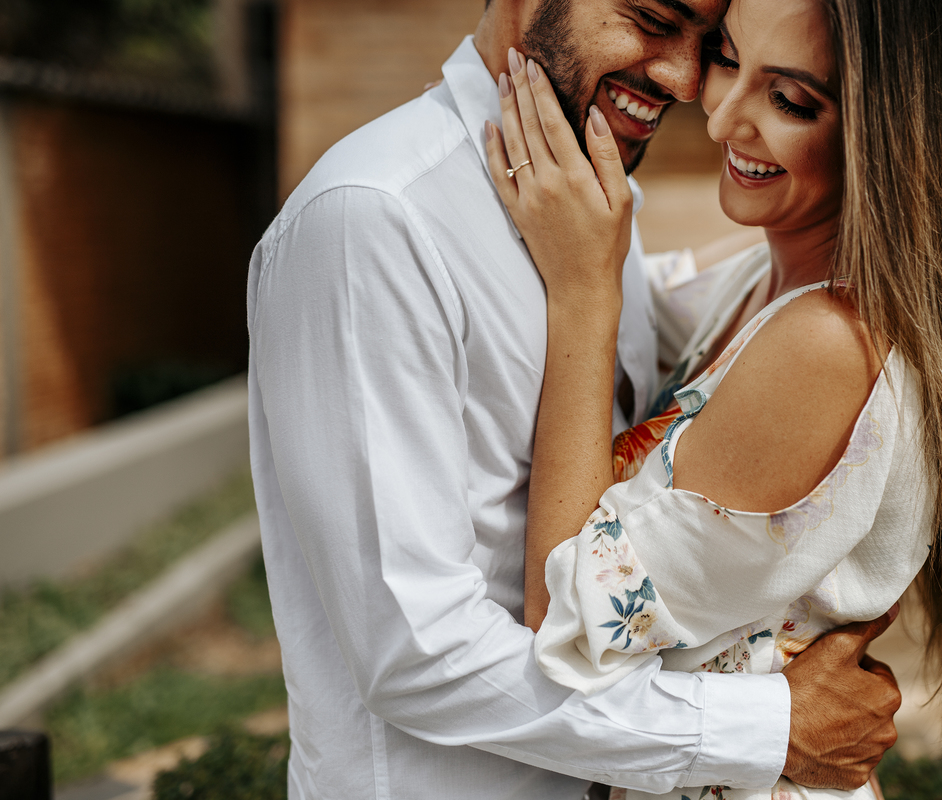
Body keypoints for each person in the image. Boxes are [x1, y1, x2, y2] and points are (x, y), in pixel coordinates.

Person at [246, 1, 907, 798]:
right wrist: (772, 727)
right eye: (654, 19)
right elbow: (414, 654)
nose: (689, 82)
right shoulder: (375, 222)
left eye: (708, 42)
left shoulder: (588, 204)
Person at [485, 0, 942, 797]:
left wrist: (584, 295)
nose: (721, 121)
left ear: (889, 136)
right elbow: (648, 298)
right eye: (728, 60)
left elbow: (564, 615)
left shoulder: (827, 343)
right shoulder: (757, 282)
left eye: (792, 101)